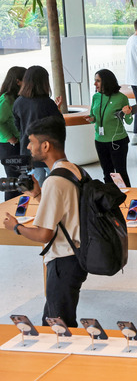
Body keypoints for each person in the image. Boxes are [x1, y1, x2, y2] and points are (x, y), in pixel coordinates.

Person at [2, 116, 88, 328]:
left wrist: (16, 227)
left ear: (46, 145)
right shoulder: (73, 169)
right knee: (52, 320)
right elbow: (65, 213)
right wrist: (37, 194)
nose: (28, 147)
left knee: (59, 326)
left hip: (63, 261)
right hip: (76, 256)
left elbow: (44, 234)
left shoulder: (55, 181)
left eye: (31, 141)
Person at [13, 66, 63, 184]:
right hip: (48, 152)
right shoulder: (48, 103)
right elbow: (59, 124)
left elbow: (18, 126)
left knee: (35, 187)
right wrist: (58, 109)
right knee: (55, 184)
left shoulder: (18, 102)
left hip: (28, 151)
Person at [88, 69, 133, 187]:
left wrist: (128, 113)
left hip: (117, 141)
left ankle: (128, 196)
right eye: (95, 81)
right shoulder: (96, 97)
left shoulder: (121, 98)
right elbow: (93, 116)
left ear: (106, 81)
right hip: (100, 140)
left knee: (120, 173)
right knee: (107, 173)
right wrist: (91, 119)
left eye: (98, 81)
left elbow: (129, 121)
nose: (95, 84)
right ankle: (110, 197)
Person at [0, 66, 27, 200]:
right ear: (18, 81)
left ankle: (20, 209)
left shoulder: (17, 97)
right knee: (13, 181)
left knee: (20, 180)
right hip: (9, 146)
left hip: (17, 143)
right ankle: (9, 209)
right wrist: (10, 138)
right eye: (26, 79)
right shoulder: (6, 99)